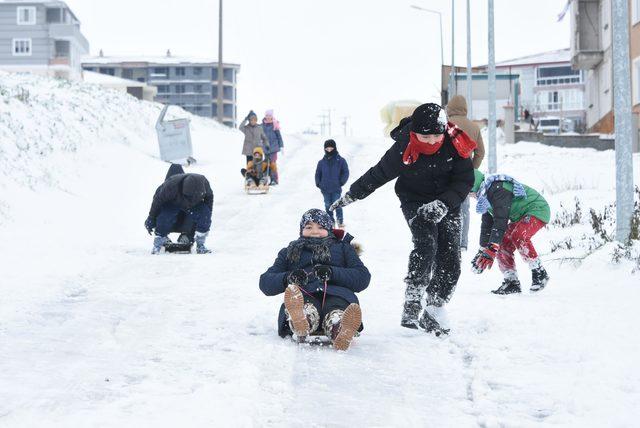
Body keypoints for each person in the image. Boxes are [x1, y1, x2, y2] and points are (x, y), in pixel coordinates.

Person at [330, 103, 475, 335]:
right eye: (425, 137)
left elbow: (465, 180)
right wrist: (351, 195)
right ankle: (414, 297)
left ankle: (434, 307)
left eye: (437, 136)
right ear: (414, 132)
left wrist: (444, 203)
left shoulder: (454, 144)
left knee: (450, 257)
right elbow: (378, 174)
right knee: (426, 243)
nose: (431, 141)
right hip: (414, 200)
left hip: (447, 202)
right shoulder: (403, 147)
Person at [259, 209, 371, 351]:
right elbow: (265, 283)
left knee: (337, 309)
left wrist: (333, 272)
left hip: (338, 294)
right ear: (301, 230)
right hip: (303, 294)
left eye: (321, 227)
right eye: (309, 227)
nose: (314, 231)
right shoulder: (289, 251)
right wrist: (288, 278)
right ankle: (302, 320)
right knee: (305, 306)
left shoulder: (343, 249)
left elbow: (362, 277)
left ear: (330, 229)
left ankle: (340, 329)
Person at [470, 170, 551, 294]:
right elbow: (487, 226)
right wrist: (483, 250)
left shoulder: (498, 189)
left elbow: (500, 221)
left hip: (537, 209)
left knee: (518, 235)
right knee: (501, 243)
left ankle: (539, 272)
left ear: (474, 186)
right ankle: (511, 282)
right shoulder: (485, 196)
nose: (471, 196)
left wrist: (491, 249)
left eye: (470, 193)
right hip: (520, 216)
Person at [144, 166, 213, 254]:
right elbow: (157, 202)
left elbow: (209, 197)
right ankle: (158, 243)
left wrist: (208, 215)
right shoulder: (170, 187)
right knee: (165, 216)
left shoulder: (203, 182)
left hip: (194, 204)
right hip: (173, 202)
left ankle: (200, 245)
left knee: (204, 213)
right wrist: (151, 218)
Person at [446, 95, 485, 251]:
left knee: (445, 206)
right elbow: (480, 152)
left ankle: (447, 240)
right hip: (463, 175)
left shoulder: (446, 125)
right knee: (464, 209)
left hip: (445, 172)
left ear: (449, 108)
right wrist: (471, 170)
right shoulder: (474, 127)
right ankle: (462, 243)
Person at [315, 139, 349, 228]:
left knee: (337, 204)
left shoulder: (340, 160)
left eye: (331, 148)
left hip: (336, 188)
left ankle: (340, 221)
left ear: (334, 148)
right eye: (327, 148)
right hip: (325, 188)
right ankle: (330, 222)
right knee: (327, 205)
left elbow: (345, 172)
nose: (329, 150)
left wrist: (341, 182)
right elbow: (317, 173)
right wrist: (318, 183)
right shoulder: (321, 162)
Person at [262, 109, 284, 185]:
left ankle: (274, 180)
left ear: (272, 116)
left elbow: (279, 137)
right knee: (265, 163)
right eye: (267, 115)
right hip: (265, 148)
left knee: (272, 163)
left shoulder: (275, 124)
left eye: (270, 116)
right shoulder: (262, 125)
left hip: (273, 148)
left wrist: (281, 146)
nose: (268, 117)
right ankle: (266, 178)